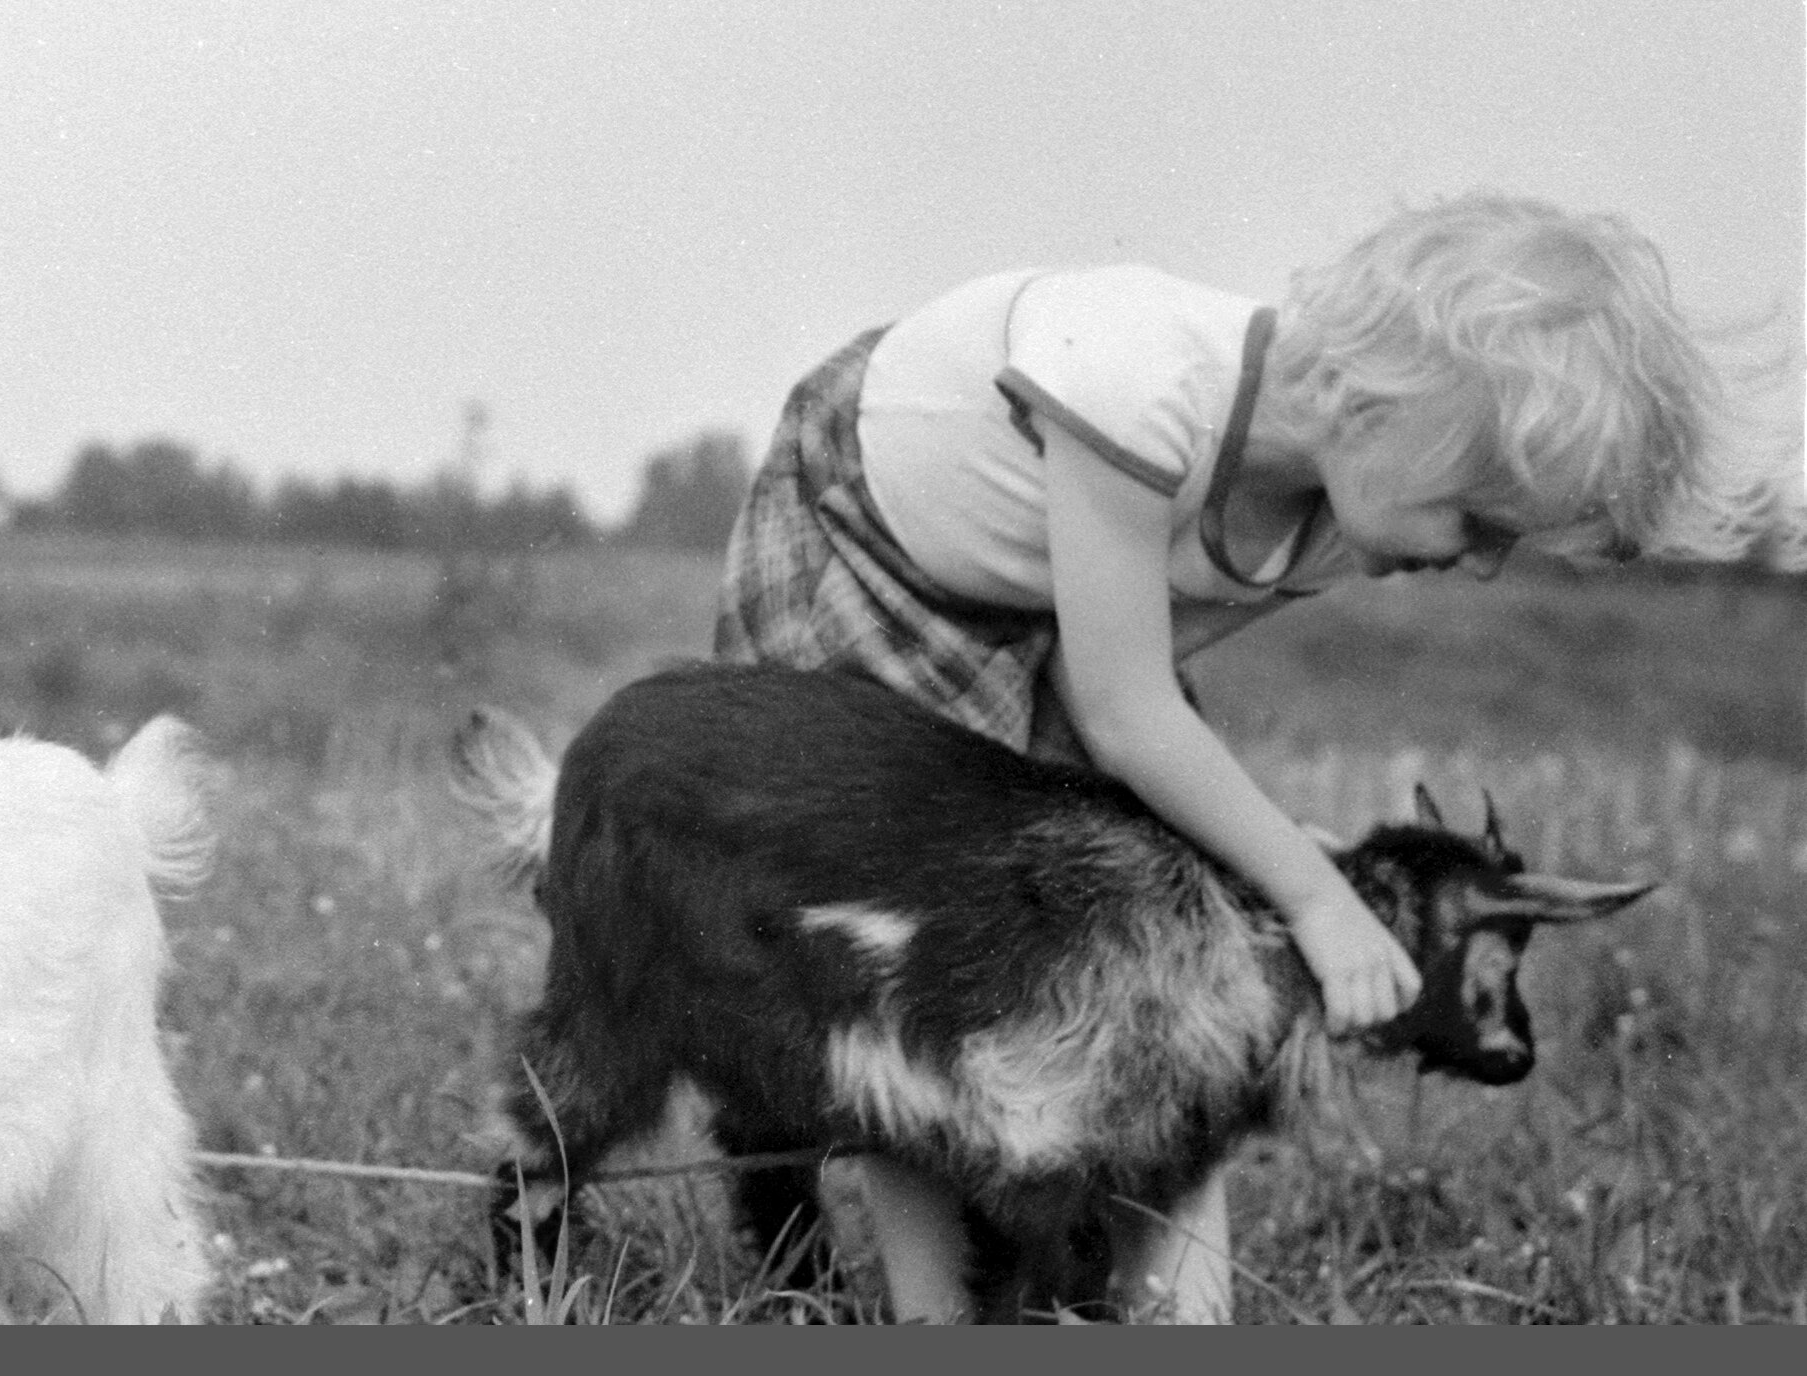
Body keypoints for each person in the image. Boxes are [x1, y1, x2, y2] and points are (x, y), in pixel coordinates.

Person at [711, 193, 1761, 1321]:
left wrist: (1235, 857)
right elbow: (1125, 710)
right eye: (1480, 522)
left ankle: (1183, 1308)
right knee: (920, 932)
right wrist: (1312, 893)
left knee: (1165, 927)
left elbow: (1091, 680)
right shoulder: (1143, 388)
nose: (1487, 565)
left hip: (1028, 617)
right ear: (1376, 404)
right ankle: (936, 1309)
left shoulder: (1341, 513)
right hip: (871, 541)